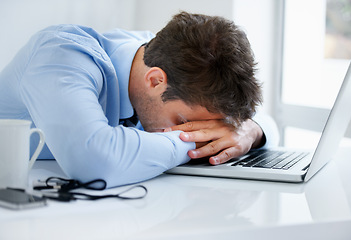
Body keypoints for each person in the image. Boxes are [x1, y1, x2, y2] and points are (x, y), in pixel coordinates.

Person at [0, 12, 278, 188]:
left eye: (204, 128)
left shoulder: (157, 58)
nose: (200, 131)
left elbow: (267, 123)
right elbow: (95, 161)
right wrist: (197, 143)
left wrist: (249, 131)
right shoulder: (60, 56)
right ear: (155, 81)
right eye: (185, 123)